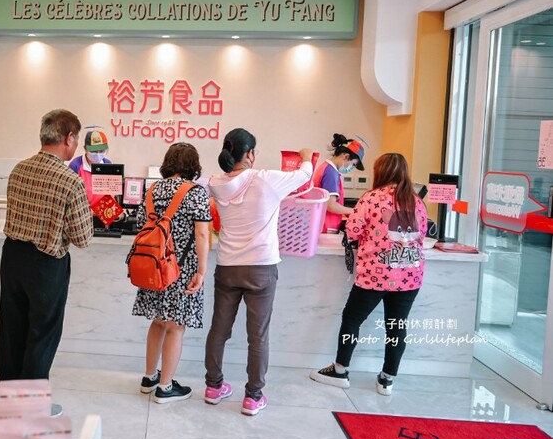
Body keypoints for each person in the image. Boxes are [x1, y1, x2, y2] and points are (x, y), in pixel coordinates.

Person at [204, 129, 314, 416]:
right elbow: (305, 175)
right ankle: (253, 397)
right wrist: (305, 156)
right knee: (258, 336)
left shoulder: (215, 183)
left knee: (219, 330)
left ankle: (213, 387)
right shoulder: (266, 179)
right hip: (261, 268)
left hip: (227, 267)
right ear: (250, 154)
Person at [0, 109, 94, 416]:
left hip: (12, 258)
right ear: (68, 138)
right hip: (46, 265)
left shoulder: (19, 170)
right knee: (42, 334)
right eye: (76, 139)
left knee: (13, 330)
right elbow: (82, 238)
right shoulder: (70, 181)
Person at [310, 153, 428, 396]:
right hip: (409, 275)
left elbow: (353, 230)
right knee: (397, 325)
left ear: (380, 171)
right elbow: (422, 234)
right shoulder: (416, 201)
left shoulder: (371, 198)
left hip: (376, 273)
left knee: (352, 319)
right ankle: (387, 379)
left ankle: (340, 370)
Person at [134, 142, 211, 404]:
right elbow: (202, 233)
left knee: (158, 321)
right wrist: (201, 271)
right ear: (193, 165)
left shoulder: (152, 189)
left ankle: (149, 378)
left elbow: (140, 223)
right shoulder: (196, 192)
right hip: (182, 269)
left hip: (154, 266)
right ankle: (165, 387)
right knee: (176, 327)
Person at [312, 133, 366, 233]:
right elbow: (331, 205)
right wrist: (355, 211)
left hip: (321, 224)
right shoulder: (331, 173)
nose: (351, 168)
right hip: (326, 226)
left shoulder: (325, 167)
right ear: (346, 156)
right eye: (353, 164)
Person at [68, 128, 113, 206]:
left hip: (103, 211)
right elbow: (70, 196)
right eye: (94, 151)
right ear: (85, 149)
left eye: (101, 151)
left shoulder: (108, 165)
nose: (98, 154)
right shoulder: (75, 166)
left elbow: (111, 194)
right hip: (82, 211)